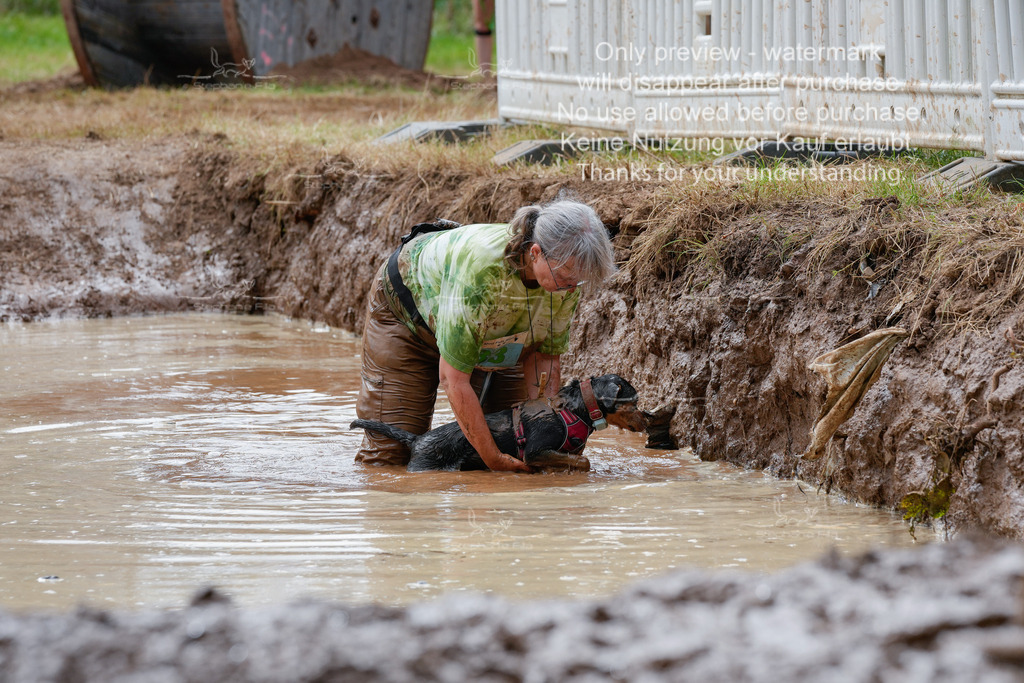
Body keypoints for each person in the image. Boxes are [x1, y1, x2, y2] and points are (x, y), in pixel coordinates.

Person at [354, 198, 615, 471]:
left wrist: (546, 433)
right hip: (408, 320)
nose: (572, 288)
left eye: (579, 280)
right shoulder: (483, 273)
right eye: (566, 277)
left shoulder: (564, 280)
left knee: (516, 441)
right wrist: (493, 458)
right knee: (390, 456)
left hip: (494, 334)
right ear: (536, 253)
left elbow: (545, 357)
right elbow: (453, 378)